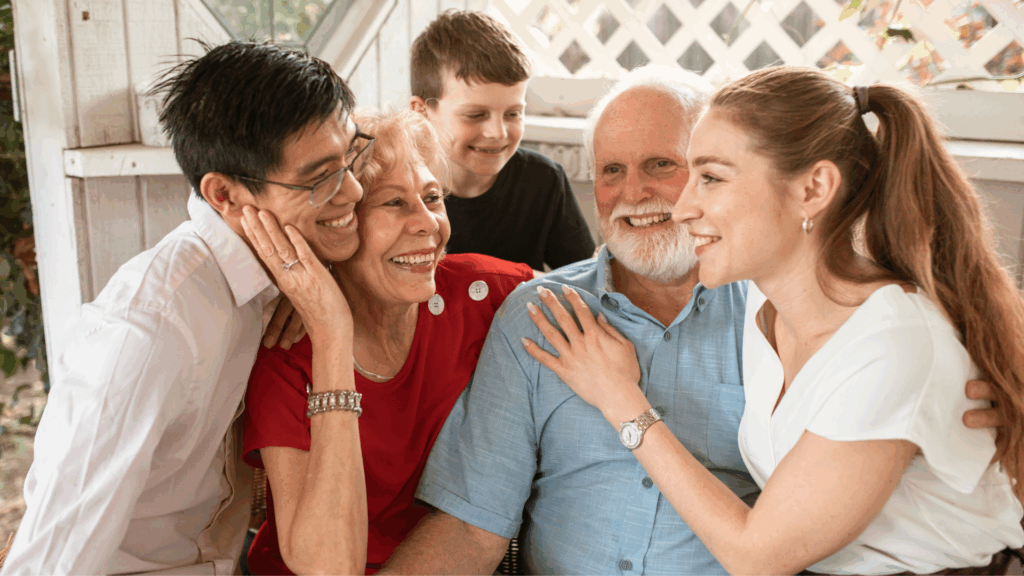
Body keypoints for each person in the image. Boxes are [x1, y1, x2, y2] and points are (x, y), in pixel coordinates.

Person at [379, 65, 1009, 576]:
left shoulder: (826, 324)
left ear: (813, 190)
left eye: (675, 167)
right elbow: (470, 525)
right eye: (610, 171)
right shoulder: (551, 315)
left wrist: (620, 399)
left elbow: (760, 552)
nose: (662, 200)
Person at [0, 41, 364, 575]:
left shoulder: (278, 270)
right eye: (320, 179)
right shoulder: (149, 330)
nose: (352, 189)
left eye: (352, 157)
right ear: (226, 195)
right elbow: (53, 561)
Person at [241, 109, 535, 575]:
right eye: (393, 203)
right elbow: (326, 566)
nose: (427, 224)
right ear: (340, 224)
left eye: (433, 197)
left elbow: (606, 292)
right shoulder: (287, 355)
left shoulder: (482, 294)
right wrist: (333, 334)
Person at [409, 10, 596, 270]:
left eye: (513, 114)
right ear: (421, 113)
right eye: (475, 114)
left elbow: (584, 280)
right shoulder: (397, 188)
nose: (497, 133)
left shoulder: (544, 181)